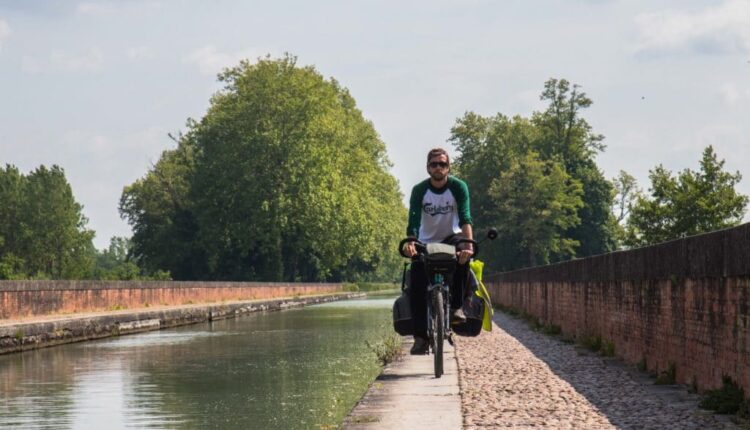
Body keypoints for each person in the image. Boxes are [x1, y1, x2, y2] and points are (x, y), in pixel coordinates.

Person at [403, 148, 473, 355]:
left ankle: (457, 308)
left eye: (442, 164)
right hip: (426, 240)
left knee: (463, 259)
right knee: (415, 278)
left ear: (448, 167)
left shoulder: (458, 187)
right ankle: (421, 338)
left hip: (452, 236)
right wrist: (411, 244)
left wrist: (468, 246)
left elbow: (465, 218)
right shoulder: (419, 190)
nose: (438, 168)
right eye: (434, 164)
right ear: (427, 168)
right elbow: (413, 222)